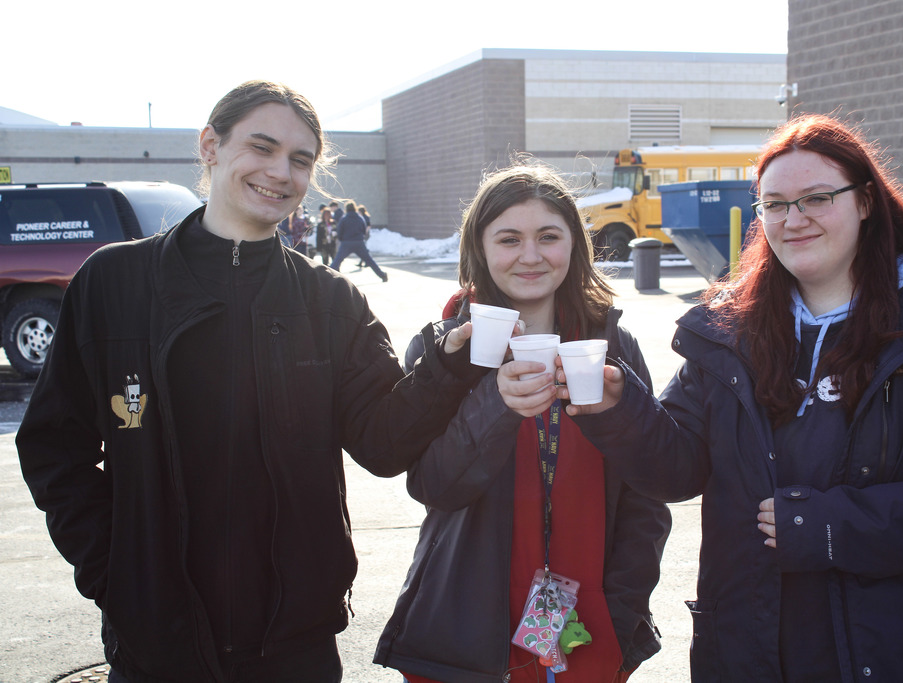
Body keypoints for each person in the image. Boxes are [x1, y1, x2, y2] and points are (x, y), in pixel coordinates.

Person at [16, 80, 482, 683]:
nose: (279, 172)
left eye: (299, 159)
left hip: (294, 640)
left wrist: (445, 365)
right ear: (211, 145)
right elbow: (54, 445)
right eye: (261, 148)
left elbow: (383, 444)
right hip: (157, 641)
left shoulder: (331, 302)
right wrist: (113, 571)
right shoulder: (114, 283)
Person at [565, 114, 903, 681]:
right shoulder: (731, 332)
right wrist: (619, 409)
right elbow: (679, 471)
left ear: (866, 202)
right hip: (752, 643)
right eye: (775, 204)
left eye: (816, 198)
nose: (793, 219)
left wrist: (830, 525)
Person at [373, 163, 671, 682]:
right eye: (509, 239)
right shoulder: (444, 351)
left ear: (573, 245)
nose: (531, 256)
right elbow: (433, 486)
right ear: (480, 249)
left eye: (548, 237)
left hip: (587, 620)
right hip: (468, 624)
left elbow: (647, 494)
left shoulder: (612, 348)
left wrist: (620, 611)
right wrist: (496, 403)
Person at [329, 200, 387, 282]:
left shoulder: (344, 219)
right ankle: (382, 275)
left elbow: (339, 231)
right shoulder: (360, 218)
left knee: (337, 261)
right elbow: (364, 230)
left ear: (346, 209)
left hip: (346, 242)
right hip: (359, 242)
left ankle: (327, 277)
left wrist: (342, 239)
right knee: (369, 260)